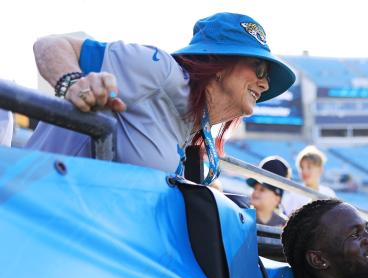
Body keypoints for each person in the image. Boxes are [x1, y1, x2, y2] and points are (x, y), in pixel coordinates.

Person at [26, 13, 295, 184]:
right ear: (218, 63)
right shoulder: (160, 71)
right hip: (32, 205)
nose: (265, 83)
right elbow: (50, 44)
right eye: (259, 69)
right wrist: (72, 83)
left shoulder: (193, 124)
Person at [281, 145, 336, 215]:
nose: (304, 171)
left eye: (309, 167)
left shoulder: (329, 193)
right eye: (301, 168)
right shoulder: (294, 194)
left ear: (320, 169)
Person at [246, 156, 289, 227]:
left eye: (262, 189)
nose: (255, 192)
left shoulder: (285, 226)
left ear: (277, 199)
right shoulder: (243, 217)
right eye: (254, 188)